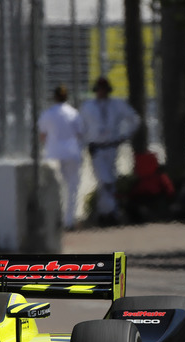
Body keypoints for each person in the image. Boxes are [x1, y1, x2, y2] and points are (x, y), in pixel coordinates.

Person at [80, 76, 141, 226]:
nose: (102, 92)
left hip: (112, 146)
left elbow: (134, 119)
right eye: (99, 90)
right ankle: (110, 211)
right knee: (104, 179)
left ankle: (106, 213)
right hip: (96, 147)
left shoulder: (117, 105)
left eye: (104, 90)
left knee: (110, 180)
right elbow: (80, 127)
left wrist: (125, 135)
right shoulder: (87, 107)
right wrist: (84, 142)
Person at [37, 85, 84, 231]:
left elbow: (42, 135)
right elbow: (80, 133)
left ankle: (54, 220)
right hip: (71, 152)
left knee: (55, 188)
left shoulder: (48, 113)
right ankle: (69, 221)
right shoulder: (73, 113)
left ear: (55, 97)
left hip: (53, 153)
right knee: (72, 188)